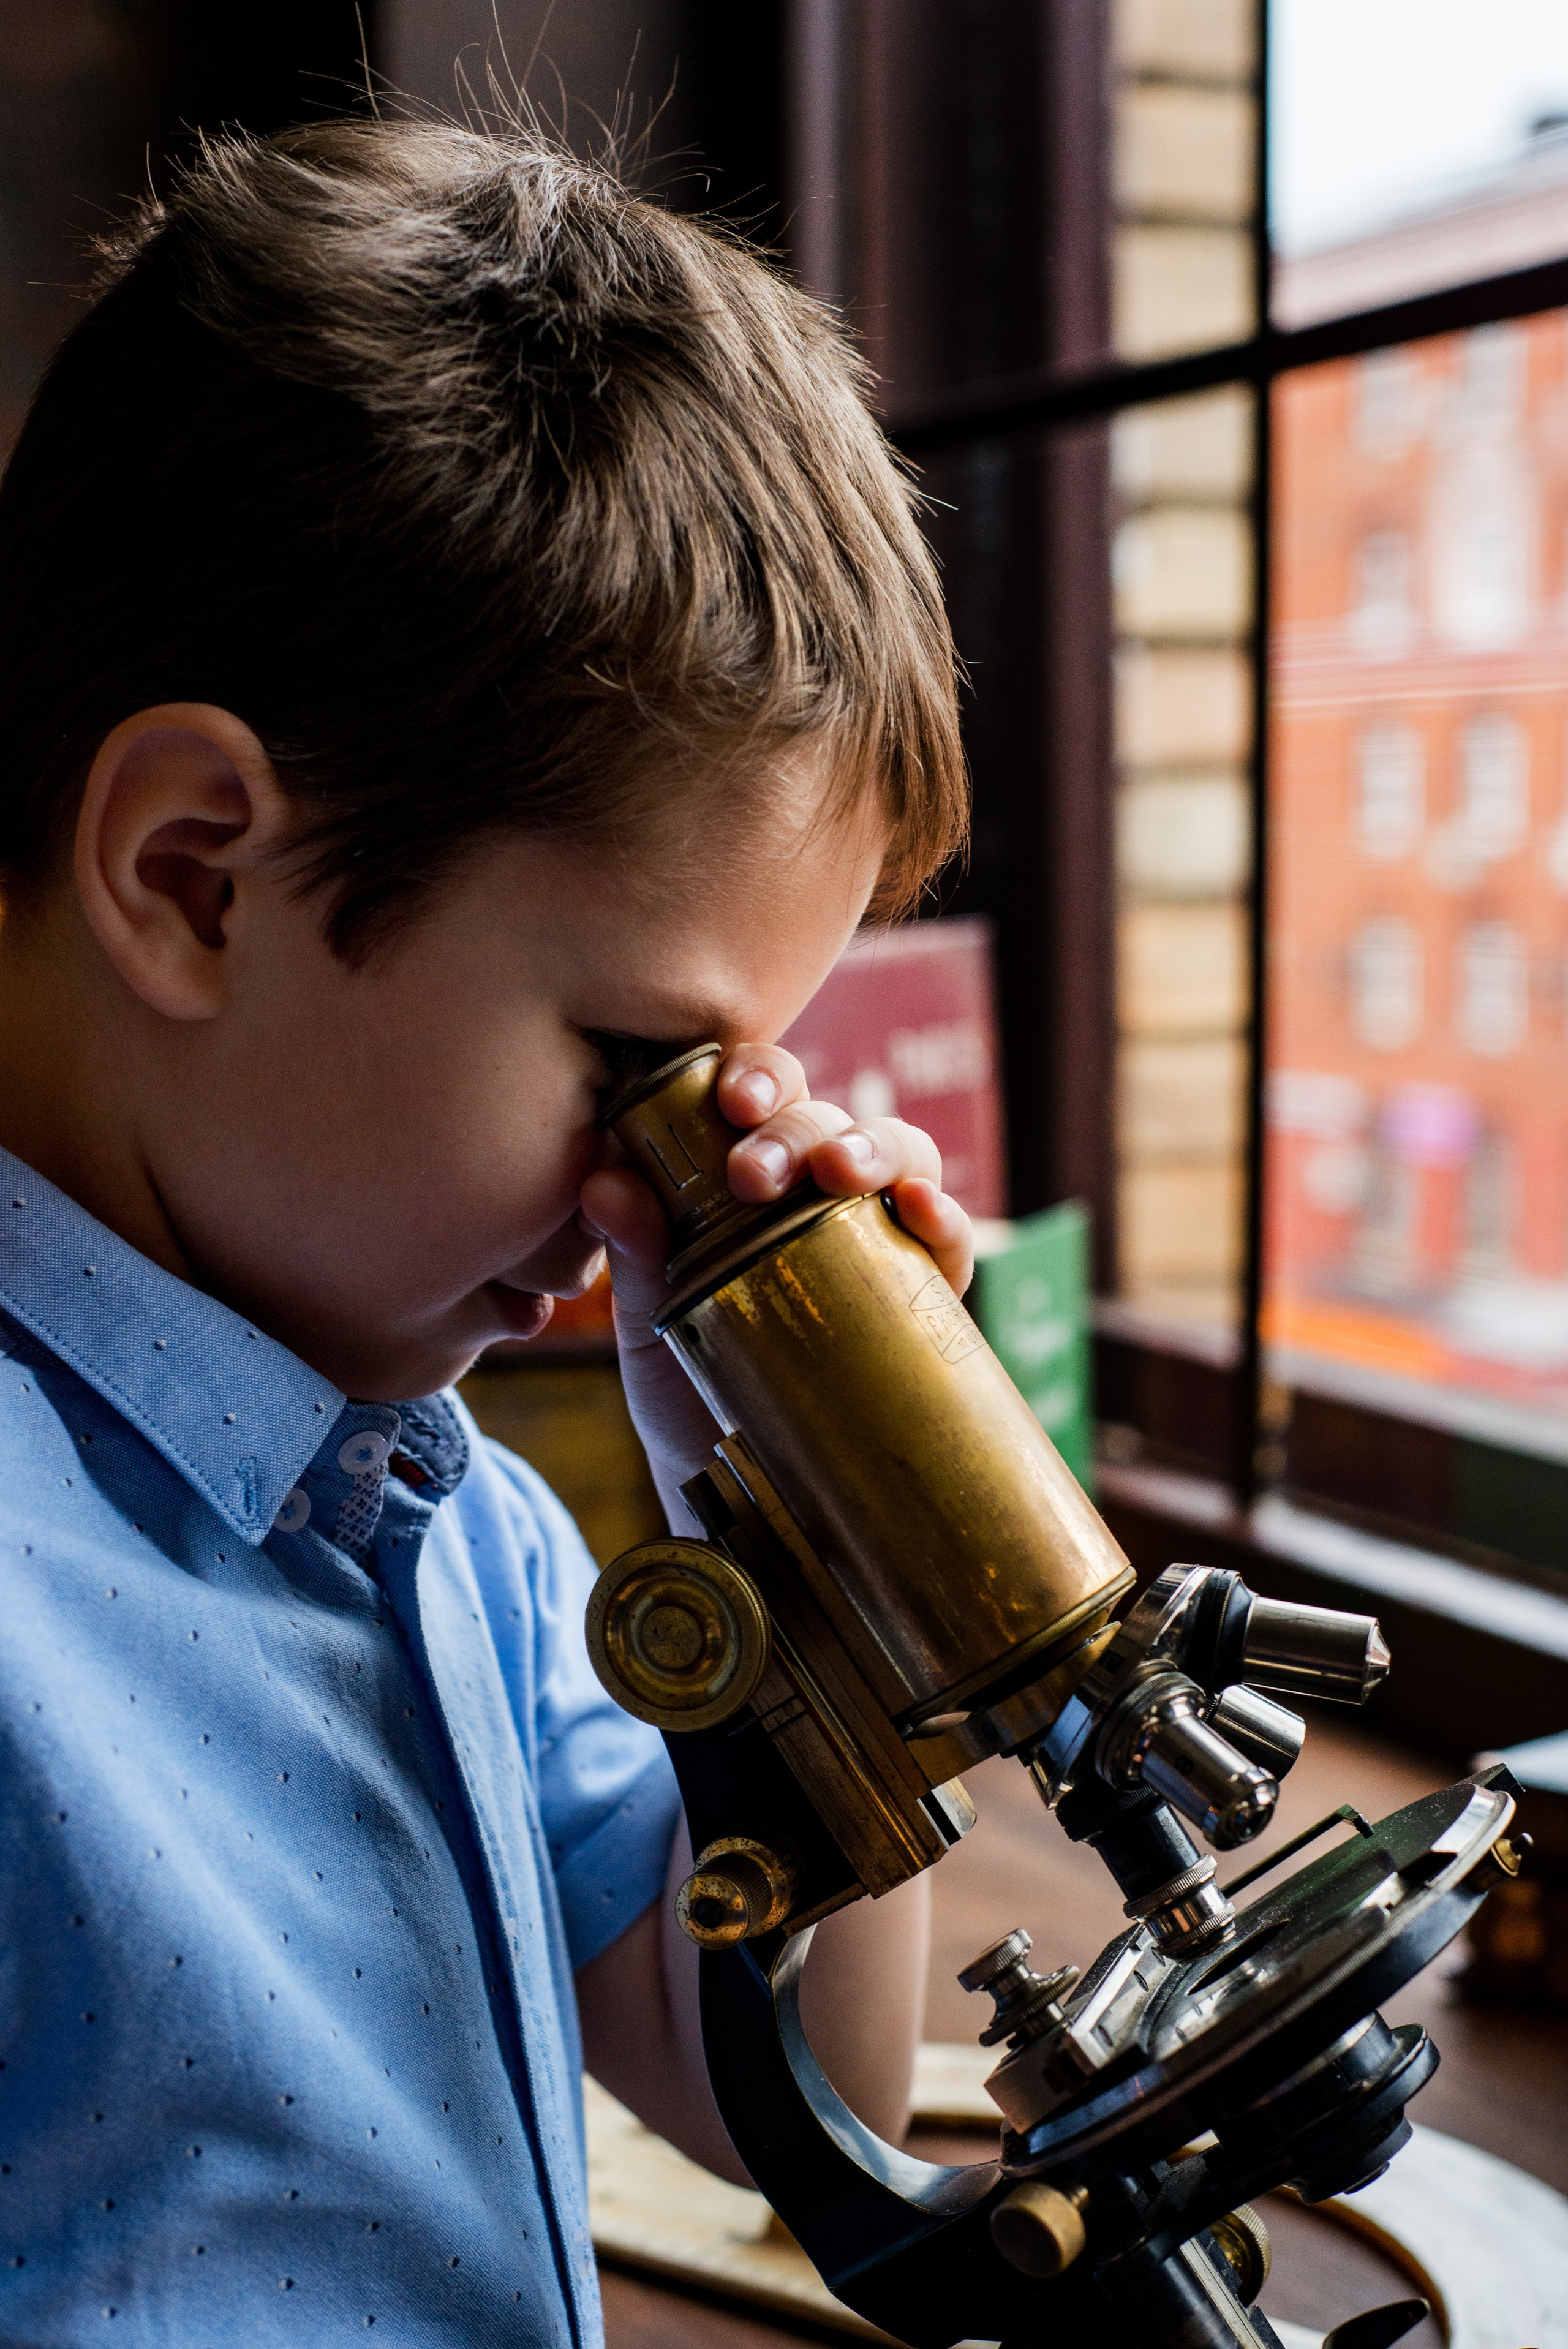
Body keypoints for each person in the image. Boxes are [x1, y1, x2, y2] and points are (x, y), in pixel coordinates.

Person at [0, 118, 972, 2342]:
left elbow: (801, 2092)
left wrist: (828, 1545)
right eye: (639, 1057)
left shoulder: (466, 1528)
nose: (667, 1185)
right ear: (193, 875)